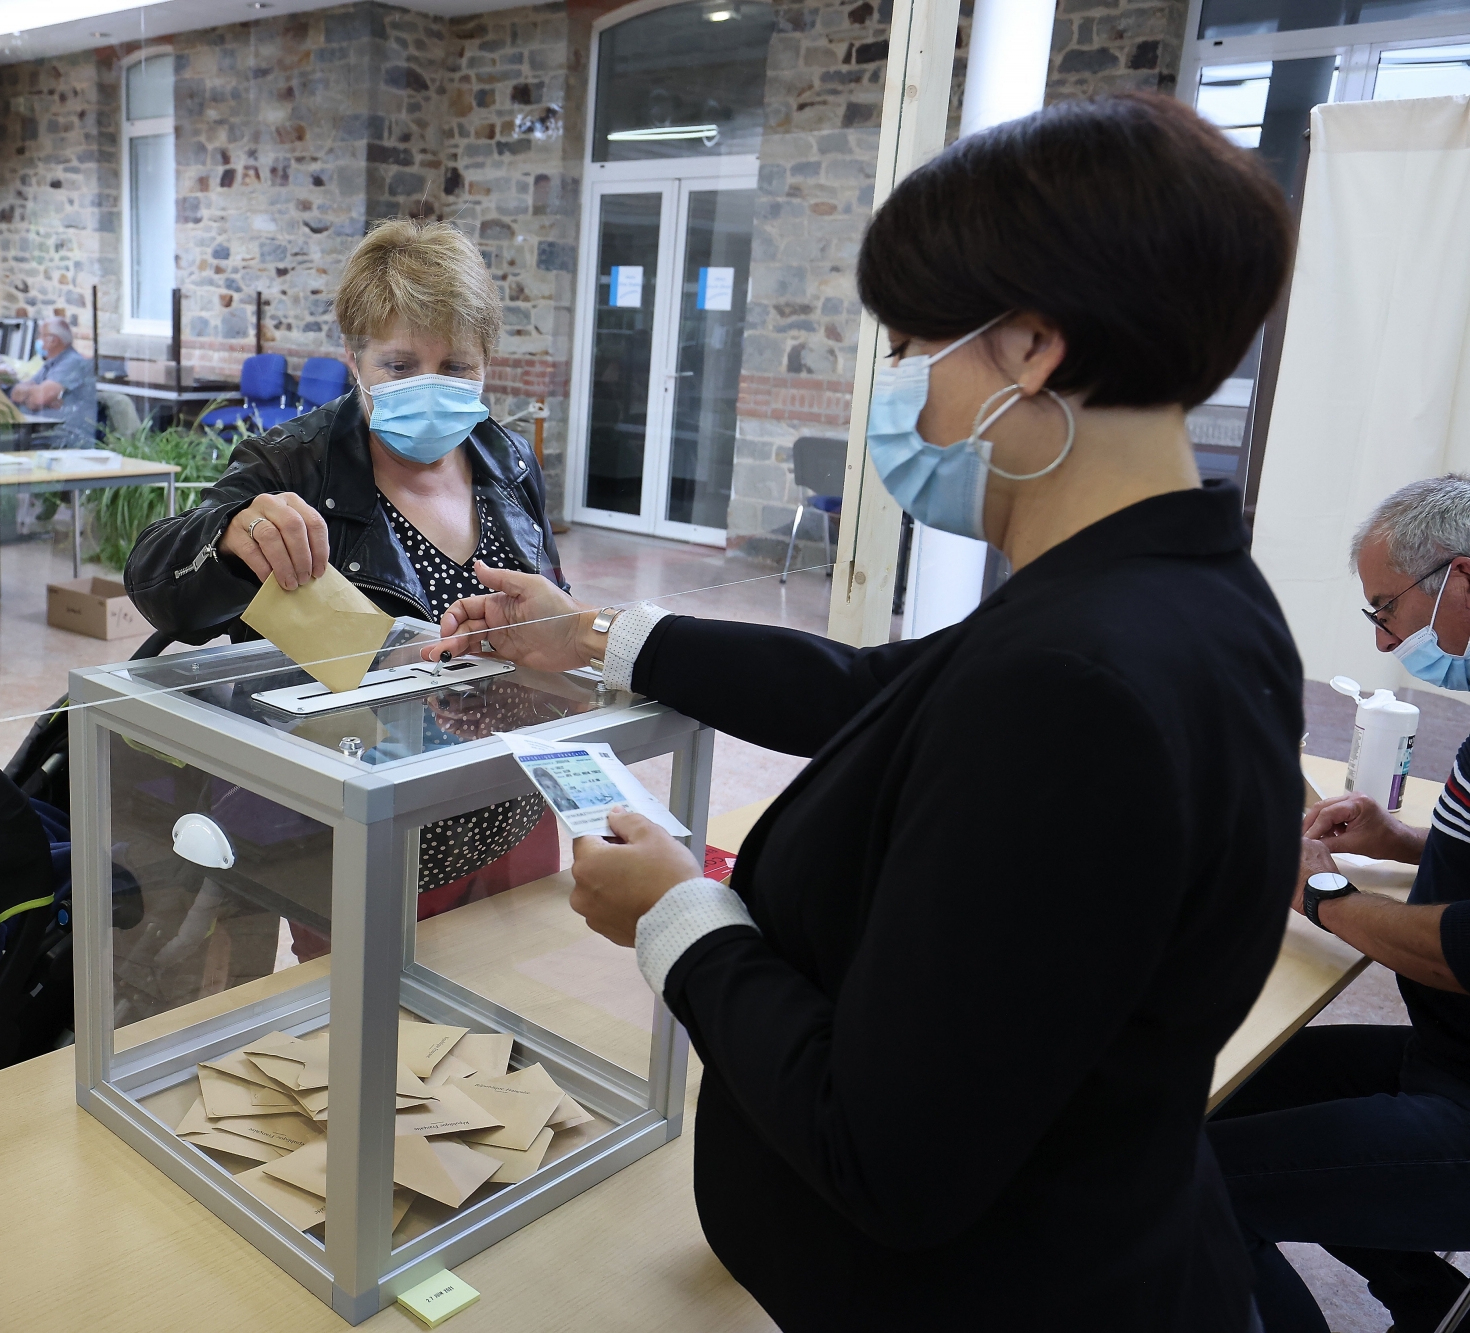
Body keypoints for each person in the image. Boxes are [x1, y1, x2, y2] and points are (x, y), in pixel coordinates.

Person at [423, 94, 1298, 1330]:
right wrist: (598, 635)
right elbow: (875, 694)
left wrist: (678, 917)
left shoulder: (1078, 684)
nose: (898, 392)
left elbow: (886, 1152)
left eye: (910, 346)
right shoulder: (1174, 595)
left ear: (1031, 349)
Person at [124, 217, 566, 925]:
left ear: (487, 363)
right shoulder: (293, 463)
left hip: (512, 814)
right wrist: (233, 537)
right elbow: (157, 584)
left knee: (510, 1009)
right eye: (399, 363)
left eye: (456, 366)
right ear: (354, 359)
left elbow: (550, 615)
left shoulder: (507, 462)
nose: (430, 383)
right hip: (365, 837)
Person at [1207, 475, 1470, 1333]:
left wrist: (1320, 888)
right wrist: (1404, 843)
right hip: (1447, 1056)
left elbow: (1458, 952)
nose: (1390, 639)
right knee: (1214, 1102)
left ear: (1460, 578)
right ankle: (1428, 1298)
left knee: (1187, 1189)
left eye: (1387, 608)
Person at [9, 315, 97, 449]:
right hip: (38, 432)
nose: (38, 340)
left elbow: (39, 398)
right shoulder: (50, 364)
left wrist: (36, 396)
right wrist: (39, 396)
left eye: (41, 335)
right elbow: (16, 393)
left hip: (63, 437)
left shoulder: (72, 362)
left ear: (53, 340)